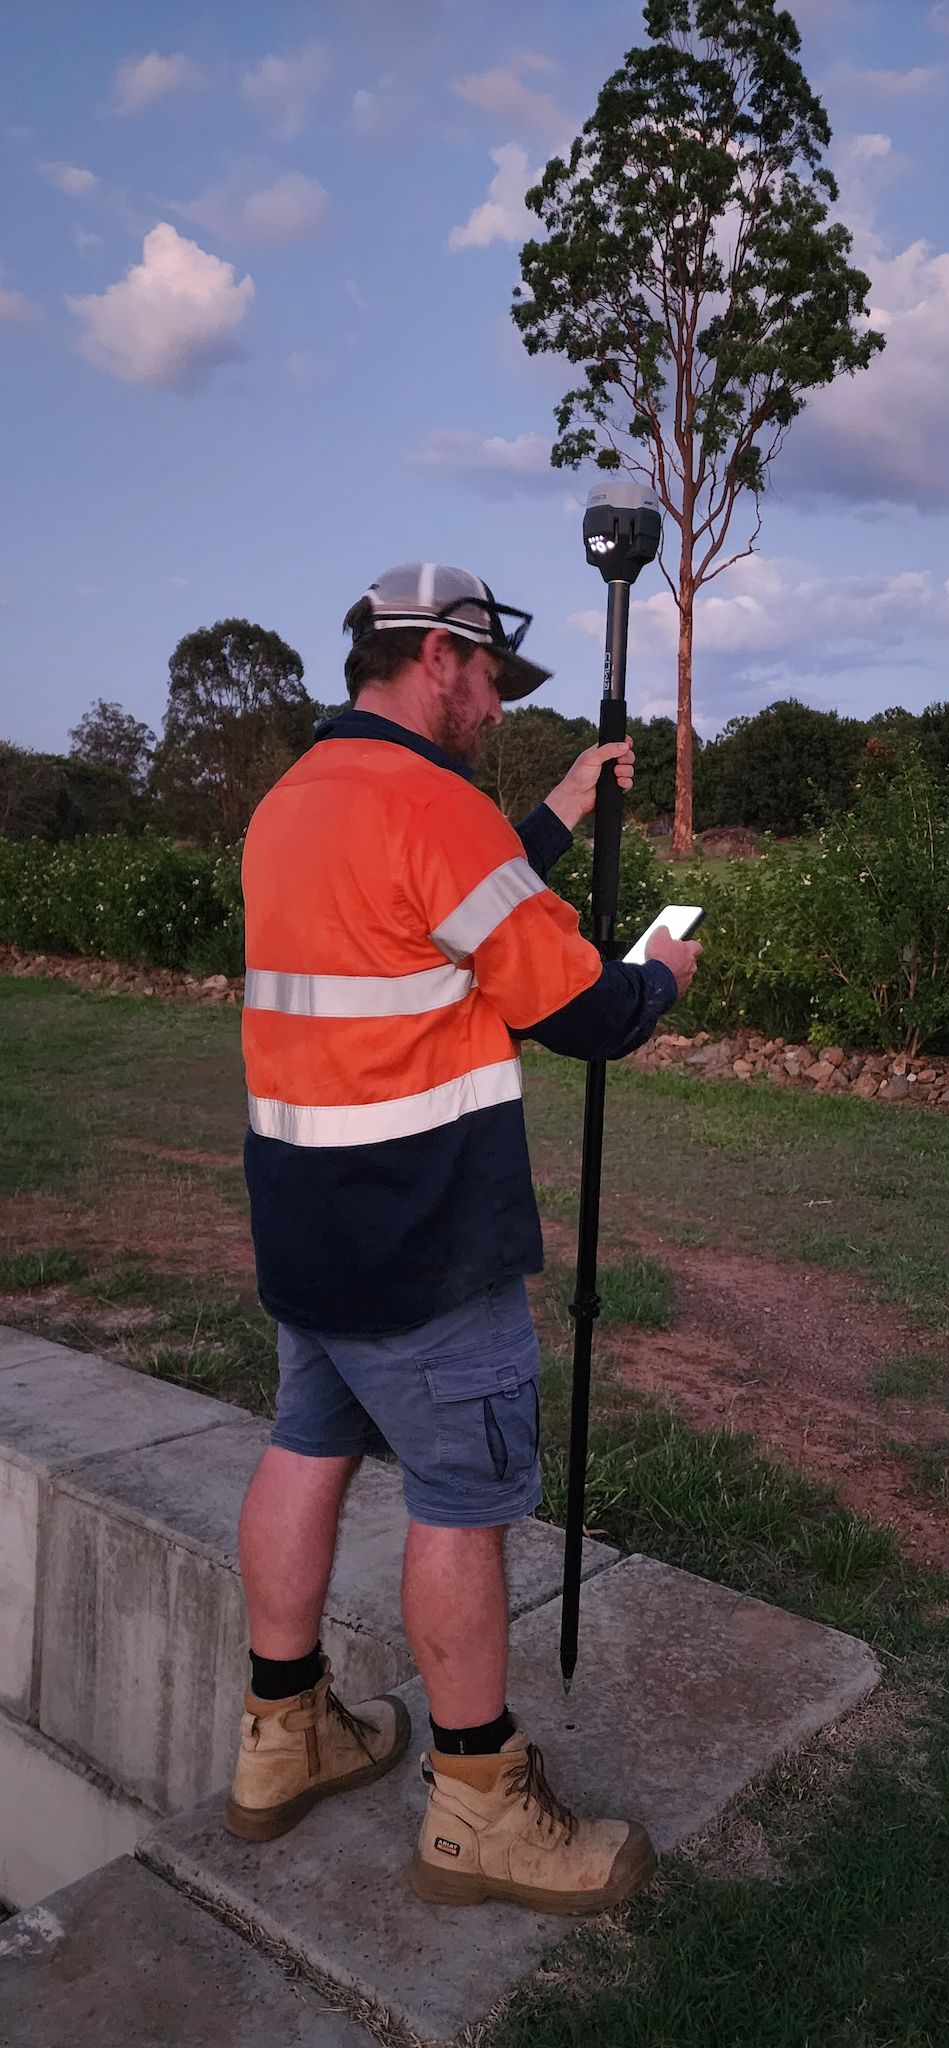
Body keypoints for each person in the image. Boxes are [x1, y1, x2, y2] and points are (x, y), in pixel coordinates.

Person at [226, 562, 700, 1915]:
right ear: (438, 654)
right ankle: (481, 1805)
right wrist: (661, 973)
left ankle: (284, 1732)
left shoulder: (294, 802)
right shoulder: (430, 805)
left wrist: (552, 816)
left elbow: (445, 916)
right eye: (491, 678)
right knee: (462, 1503)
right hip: (424, 1237)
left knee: (304, 1447)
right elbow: (582, 1009)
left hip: (308, 1223)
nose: (496, 705)